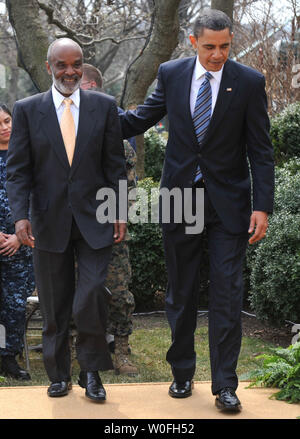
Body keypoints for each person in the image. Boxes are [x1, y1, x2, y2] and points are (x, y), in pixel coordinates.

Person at [119, 9, 274, 412]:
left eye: (225, 46)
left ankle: (225, 385)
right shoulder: (171, 73)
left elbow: (261, 151)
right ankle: (182, 374)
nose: (218, 54)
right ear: (193, 42)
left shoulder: (249, 82)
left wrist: (262, 207)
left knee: (227, 293)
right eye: (210, 46)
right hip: (180, 198)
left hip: (229, 203)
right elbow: (140, 119)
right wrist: (91, 114)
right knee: (182, 292)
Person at [6, 38, 127, 402]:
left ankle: (91, 372)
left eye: (76, 64)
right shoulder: (27, 110)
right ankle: (59, 375)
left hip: (96, 220)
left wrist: (120, 209)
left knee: (88, 297)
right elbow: (17, 171)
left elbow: (114, 165)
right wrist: (20, 217)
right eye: (62, 65)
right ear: (49, 67)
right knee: (55, 304)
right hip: (47, 221)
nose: (70, 71)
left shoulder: (104, 107)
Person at [81, 63, 138, 376]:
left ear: (93, 88)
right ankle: (79, 347)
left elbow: (127, 188)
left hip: (111, 227)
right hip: (76, 228)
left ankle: (123, 351)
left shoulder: (118, 140)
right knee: (78, 291)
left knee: (118, 293)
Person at [0, 104, 35, 380]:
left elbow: (42, 197)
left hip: (21, 246)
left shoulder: (28, 155)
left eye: (7, 120)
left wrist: (19, 238)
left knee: (14, 305)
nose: (4, 127)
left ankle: (8, 357)